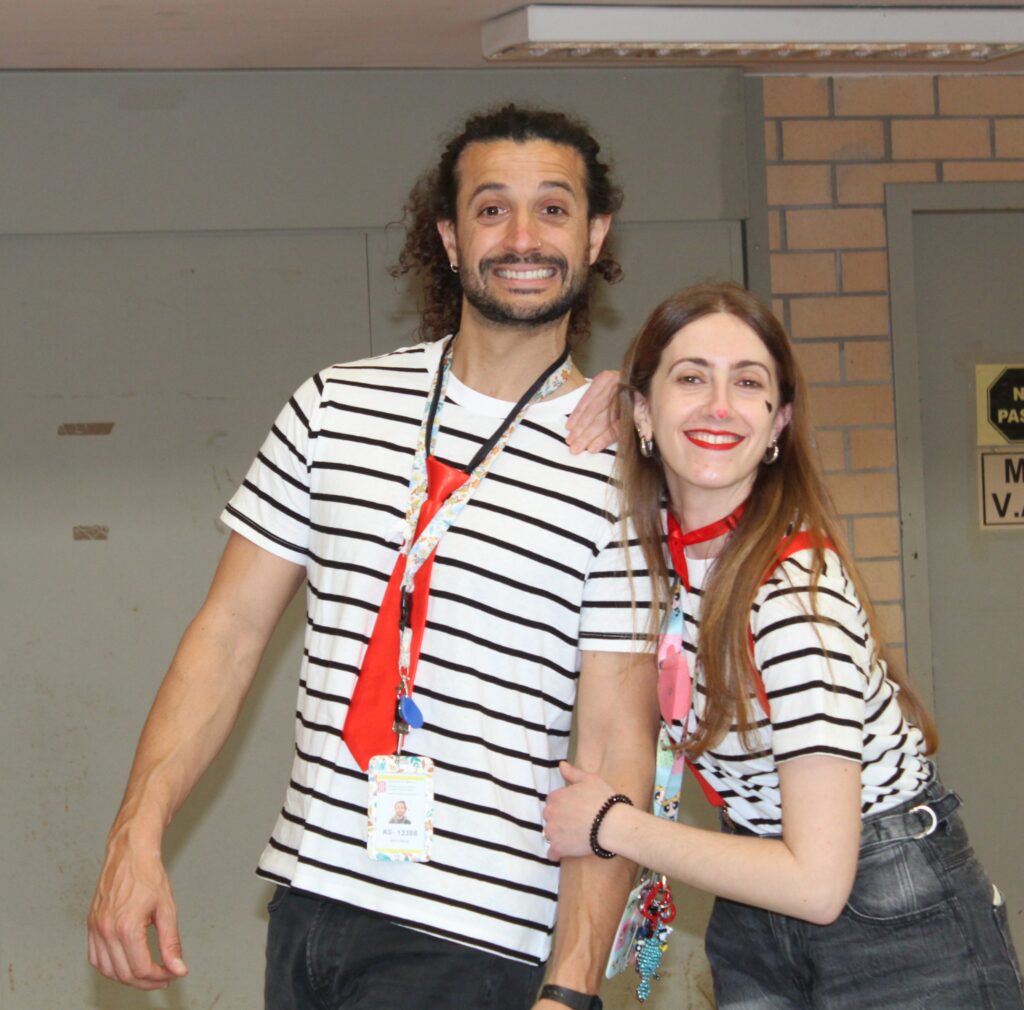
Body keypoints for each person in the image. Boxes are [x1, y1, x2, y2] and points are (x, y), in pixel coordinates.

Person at [86, 104, 659, 1010]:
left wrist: (574, 987)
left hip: (477, 936)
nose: (522, 237)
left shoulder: (623, 467)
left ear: (594, 236)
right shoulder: (333, 407)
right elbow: (228, 635)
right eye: (491, 209)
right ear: (449, 237)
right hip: (310, 904)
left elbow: (618, 744)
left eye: (553, 209)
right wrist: (136, 833)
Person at [543, 282, 1024, 1010]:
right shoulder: (668, 557)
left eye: (748, 384)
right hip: (756, 903)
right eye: (691, 378)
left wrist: (614, 826)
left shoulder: (793, 596)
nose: (718, 405)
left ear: (778, 423)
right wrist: (603, 393)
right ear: (642, 411)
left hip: (890, 913)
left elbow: (817, 884)